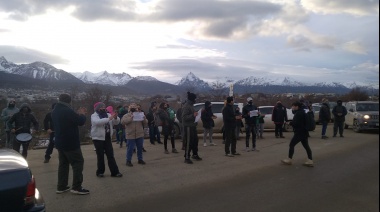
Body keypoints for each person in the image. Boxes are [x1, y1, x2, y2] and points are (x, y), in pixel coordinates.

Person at [52, 93, 89, 195]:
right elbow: (80, 121)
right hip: (70, 142)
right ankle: (77, 187)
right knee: (78, 163)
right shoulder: (67, 110)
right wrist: (82, 114)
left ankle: (61, 186)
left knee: (63, 164)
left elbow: (69, 120)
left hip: (60, 142)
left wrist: (76, 114)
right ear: (69, 101)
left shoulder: (55, 110)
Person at [91, 102, 122, 178]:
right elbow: (97, 123)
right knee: (100, 155)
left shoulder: (108, 114)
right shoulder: (94, 116)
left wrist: (115, 117)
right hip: (98, 138)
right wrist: (109, 118)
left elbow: (116, 122)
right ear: (97, 108)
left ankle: (115, 172)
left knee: (110, 155)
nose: (103, 108)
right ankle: (100, 172)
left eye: (104, 107)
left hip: (107, 137)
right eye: (101, 107)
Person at [281, 101, 313, 167]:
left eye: (293, 106)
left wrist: (290, 123)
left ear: (296, 107)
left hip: (299, 132)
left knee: (291, 144)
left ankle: (289, 159)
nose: (292, 107)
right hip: (304, 132)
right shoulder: (303, 112)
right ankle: (310, 160)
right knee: (306, 146)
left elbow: (296, 123)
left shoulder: (298, 113)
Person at [182, 92, 202, 164]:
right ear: (192, 99)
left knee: (195, 141)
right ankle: (187, 157)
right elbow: (184, 118)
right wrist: (193, 115)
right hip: (188, 126)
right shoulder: (186, 106)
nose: (195, 100)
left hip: (193, 126)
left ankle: (195, 154)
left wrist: (196, 115)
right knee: (188, 142)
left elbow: (192, 115)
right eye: (195, 99)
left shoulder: (191, 106)